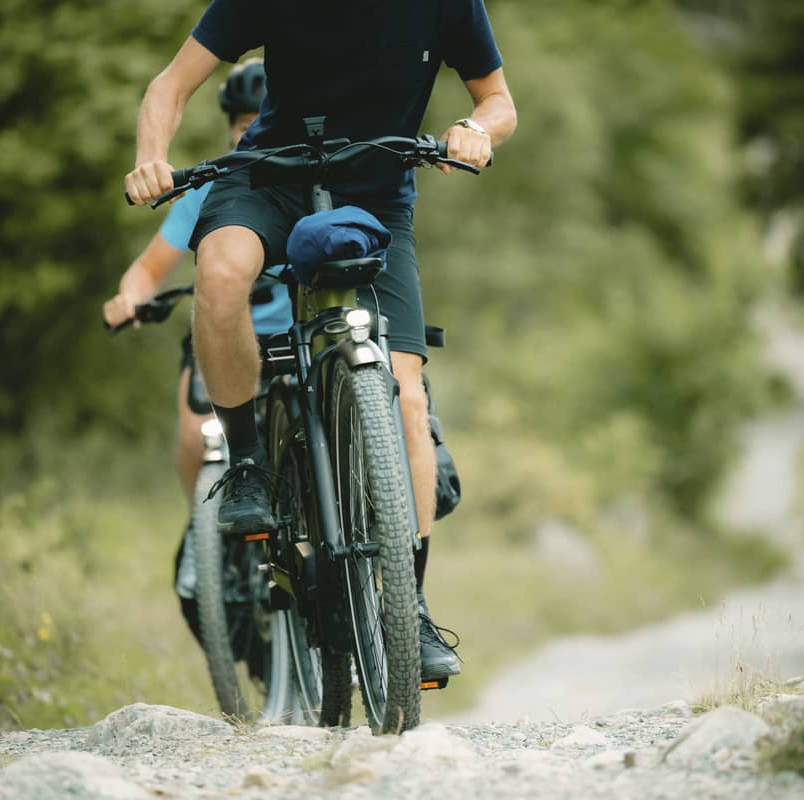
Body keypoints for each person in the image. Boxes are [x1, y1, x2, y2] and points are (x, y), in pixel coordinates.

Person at [124, 1, 517, 681]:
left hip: (375, 193)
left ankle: (410, 605)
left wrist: (476, 128)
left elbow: (499, 99)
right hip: (268, 178)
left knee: (408, 397)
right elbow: (170, 85)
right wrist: (150, 158)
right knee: (220, 275)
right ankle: (248, 462)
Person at [104, 60, 283, 643]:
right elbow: (150, 268)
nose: (251, 131)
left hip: (292, 336)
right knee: (193, 427)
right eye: (243, 123)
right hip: (223, 331)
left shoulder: (308, 173)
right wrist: (130, 297)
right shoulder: (210, 185)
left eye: (262, 119)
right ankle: (200, 532)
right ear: (230, 126)